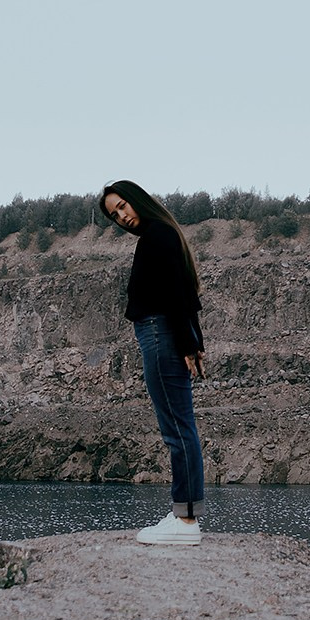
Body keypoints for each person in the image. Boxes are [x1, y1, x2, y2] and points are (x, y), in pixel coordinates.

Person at [101, 180, 207, 546]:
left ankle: (187, 521)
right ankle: (184, 515)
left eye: (122, 206)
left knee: (176, 428)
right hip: (165, 334)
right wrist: (194, 342)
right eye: (114, 215)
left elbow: (177, 295)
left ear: (136, 199)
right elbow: (184, 291)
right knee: (180, 426)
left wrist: (188, 343)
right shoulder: (162, 234)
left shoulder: (157, 236)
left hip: (160, 334)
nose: (121, 216)